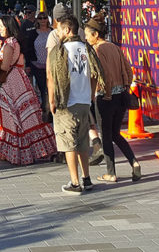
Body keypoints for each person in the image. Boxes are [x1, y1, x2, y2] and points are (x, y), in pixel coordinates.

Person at [47, 15, 103, 193]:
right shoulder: (87, 48)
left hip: (66, 102)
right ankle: (86, 178)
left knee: (68, 143)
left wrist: (51, 100)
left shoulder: (58, 50)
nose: (58, 32)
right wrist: (91, 94)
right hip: (84, 101)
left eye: (59, 29)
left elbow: (51, 77)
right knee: (82, 142)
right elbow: (95, 73)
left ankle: (74, 182)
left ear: (67, 30)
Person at [0, 16, 56, 165]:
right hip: (19, 80)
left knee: (11, 116)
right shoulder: (15, 42)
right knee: (26, 115)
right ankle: (33, 149)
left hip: (10, 82)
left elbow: (4, 66)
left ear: (8, 26)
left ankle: (13, 152)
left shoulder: (8, 44)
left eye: (1, 26)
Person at [85, 15, 141, 183]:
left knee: (106, 136)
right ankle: (134, 162)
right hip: (121, 97)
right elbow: (128, 71)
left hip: (105, 97)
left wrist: (103, 92)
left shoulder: (97, 50)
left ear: (95, 35)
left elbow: (102, 75)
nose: (86, 38)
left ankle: (111, 173)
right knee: (116, 133)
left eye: (87, 34)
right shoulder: (115, 47)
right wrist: (124, 86)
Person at [28, 11, 52, 111]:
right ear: (37, 20)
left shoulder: (52, 32)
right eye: (40, 18)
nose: (43, 20)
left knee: (50, 88)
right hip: (38, 65)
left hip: (51, 65)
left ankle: (49, 106)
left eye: (44, 18)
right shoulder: (33, 33)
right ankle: (45, 108)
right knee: (43, 89)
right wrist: (29, 64)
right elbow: (29, 49)